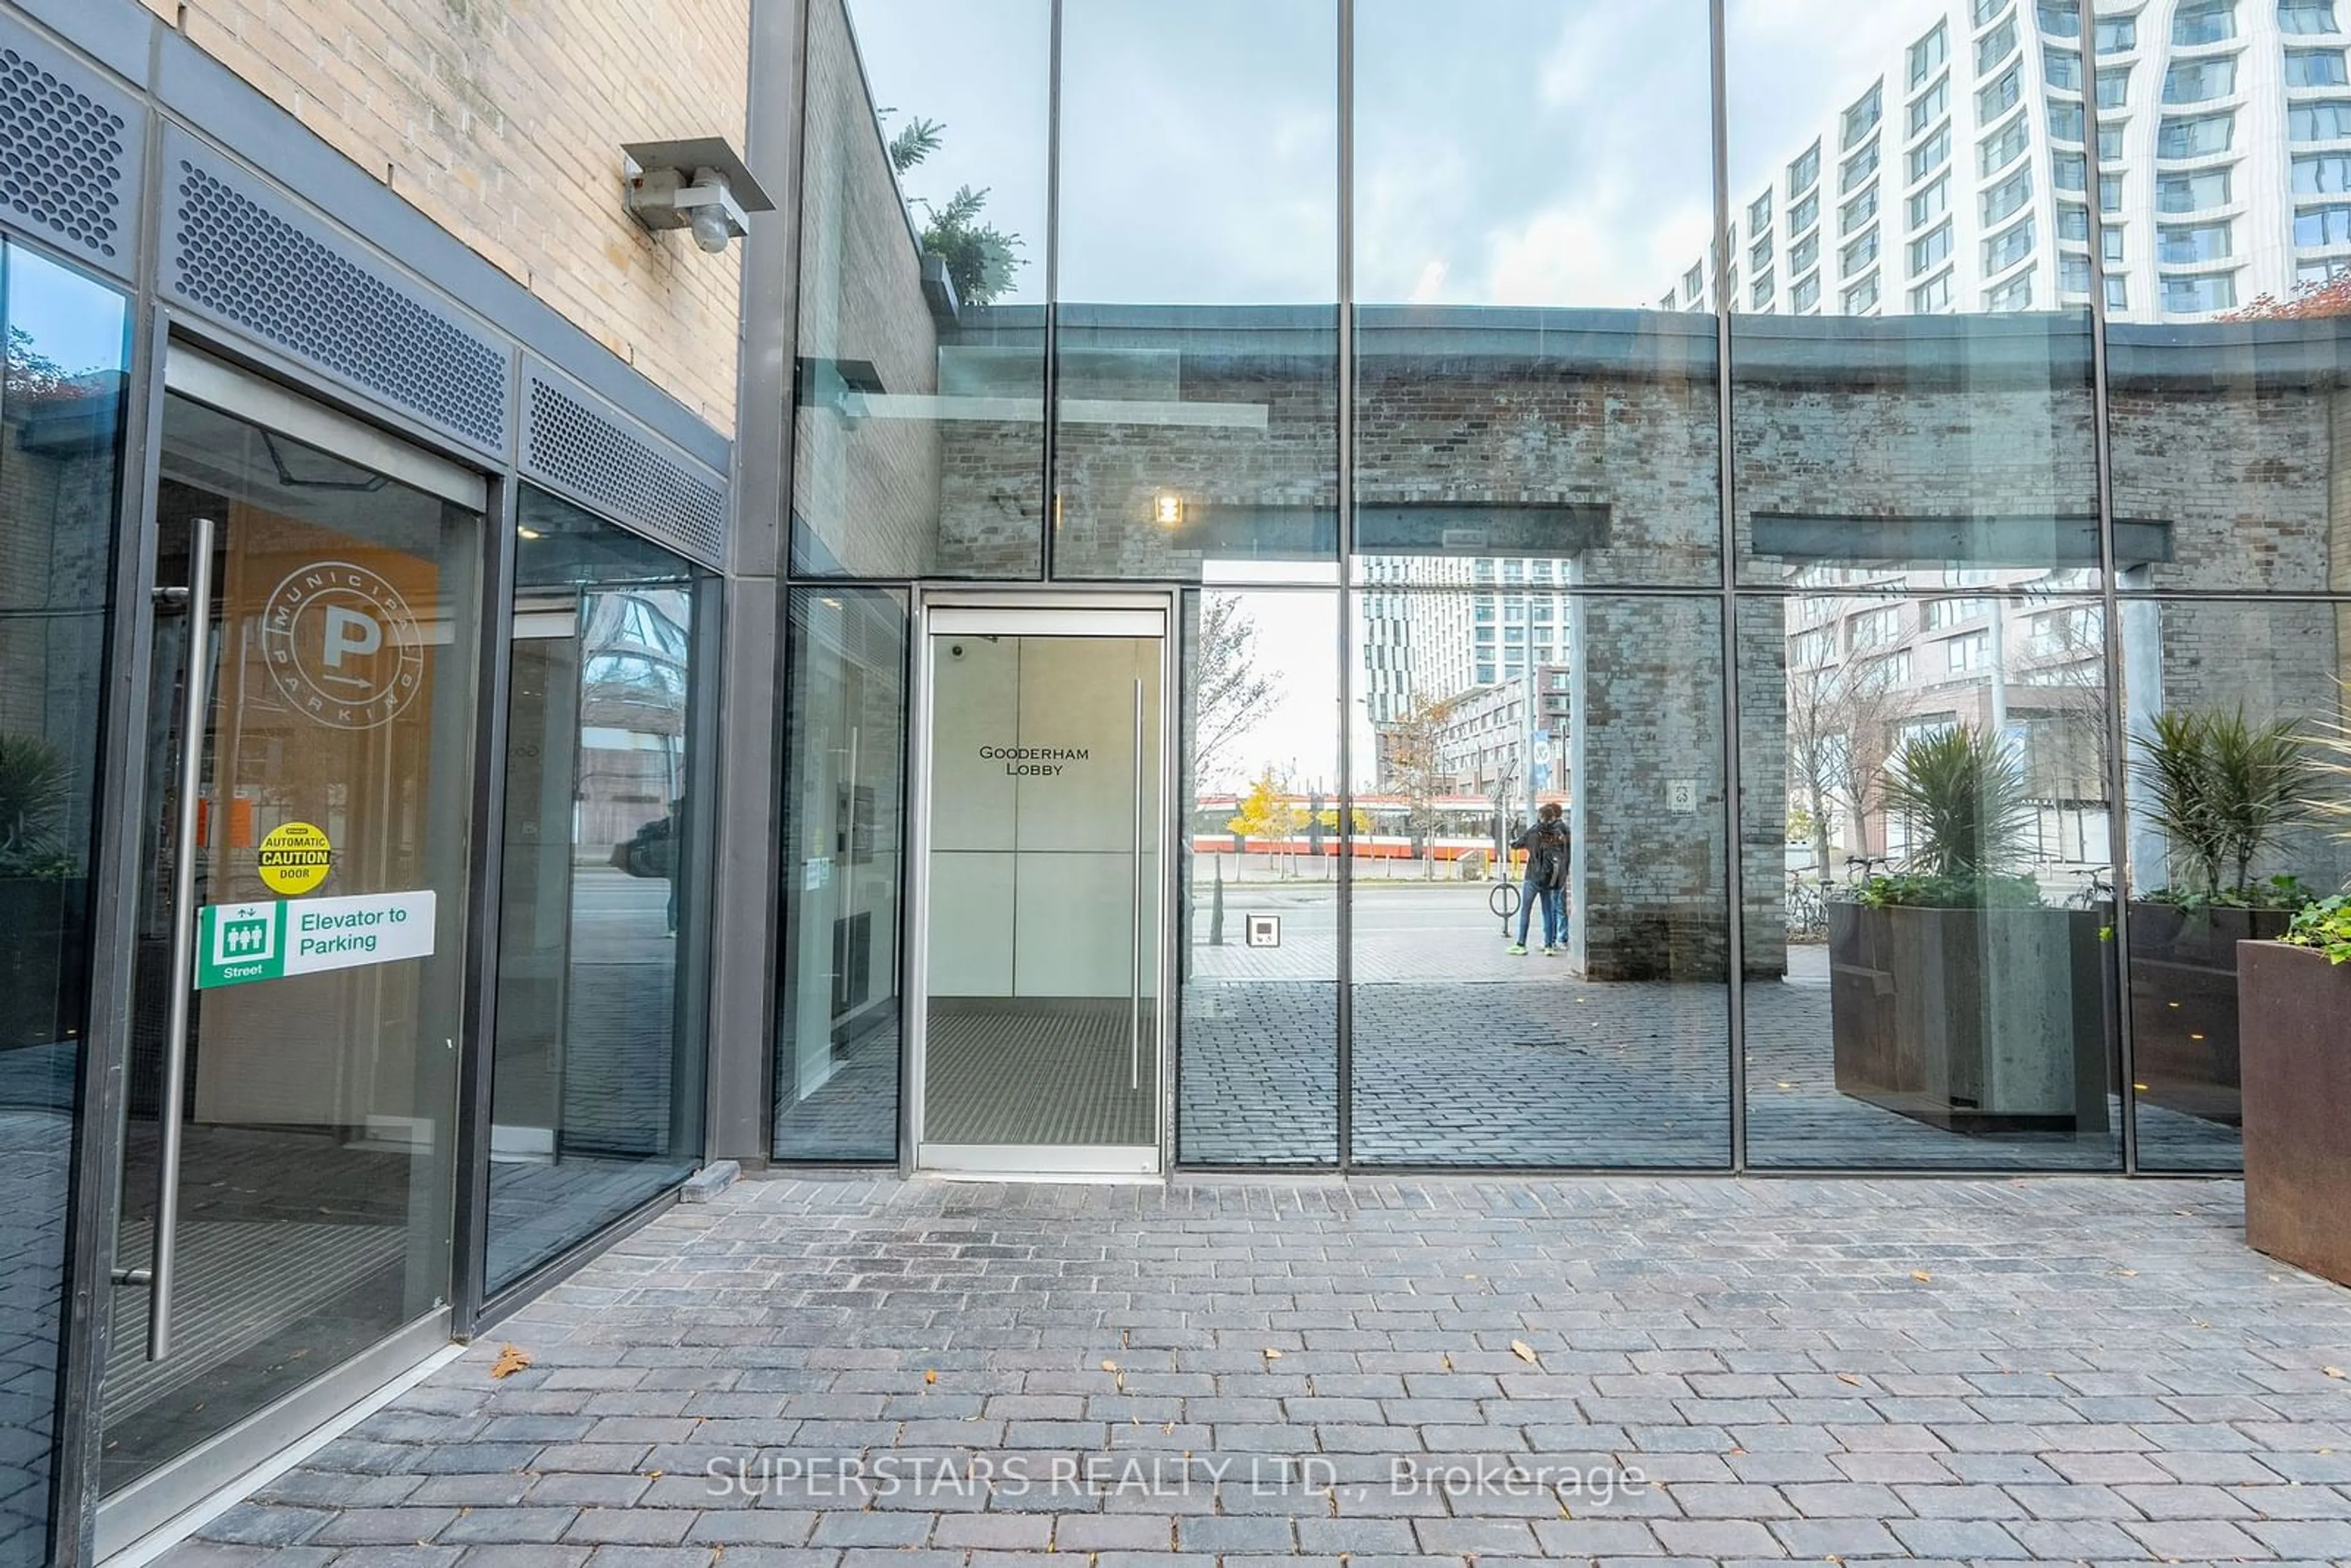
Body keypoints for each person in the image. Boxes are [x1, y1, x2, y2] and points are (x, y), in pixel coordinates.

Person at [1508, 801, 1570, 956]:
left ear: (1540, 816)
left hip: (1533, 877)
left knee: (1526, 910)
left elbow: (1516, 845)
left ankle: (1521, 944)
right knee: (1548, 911)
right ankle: (1549, 945)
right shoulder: (1558, 833)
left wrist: (1513, 833)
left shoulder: (1534, 831)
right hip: (1549, 879)